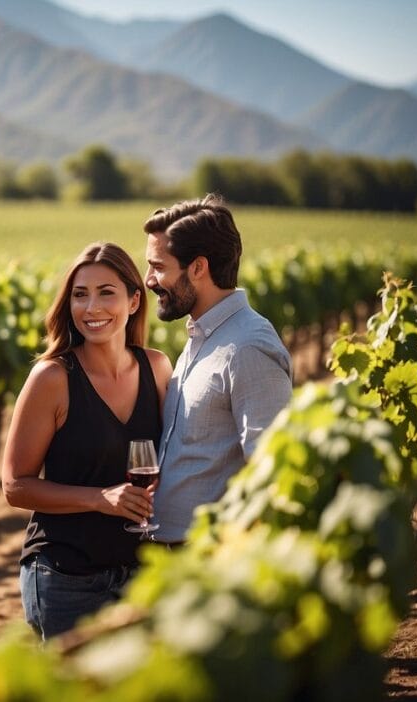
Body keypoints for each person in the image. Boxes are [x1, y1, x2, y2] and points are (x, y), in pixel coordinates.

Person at [2, 242, 173, 640]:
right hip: (66, 577)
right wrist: (99, 498)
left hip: (142, 573)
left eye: (105, 293)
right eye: (80, 295)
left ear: (134, 301)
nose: (91, 308)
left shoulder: (157, 367)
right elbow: (15, 486)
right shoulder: (52, 379)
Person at [142, 194, 292, 546]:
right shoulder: (203, 336)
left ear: (198, 268)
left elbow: (269, 471)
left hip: (208, 554)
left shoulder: (248, 346)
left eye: (158, 266)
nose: (148, 280)